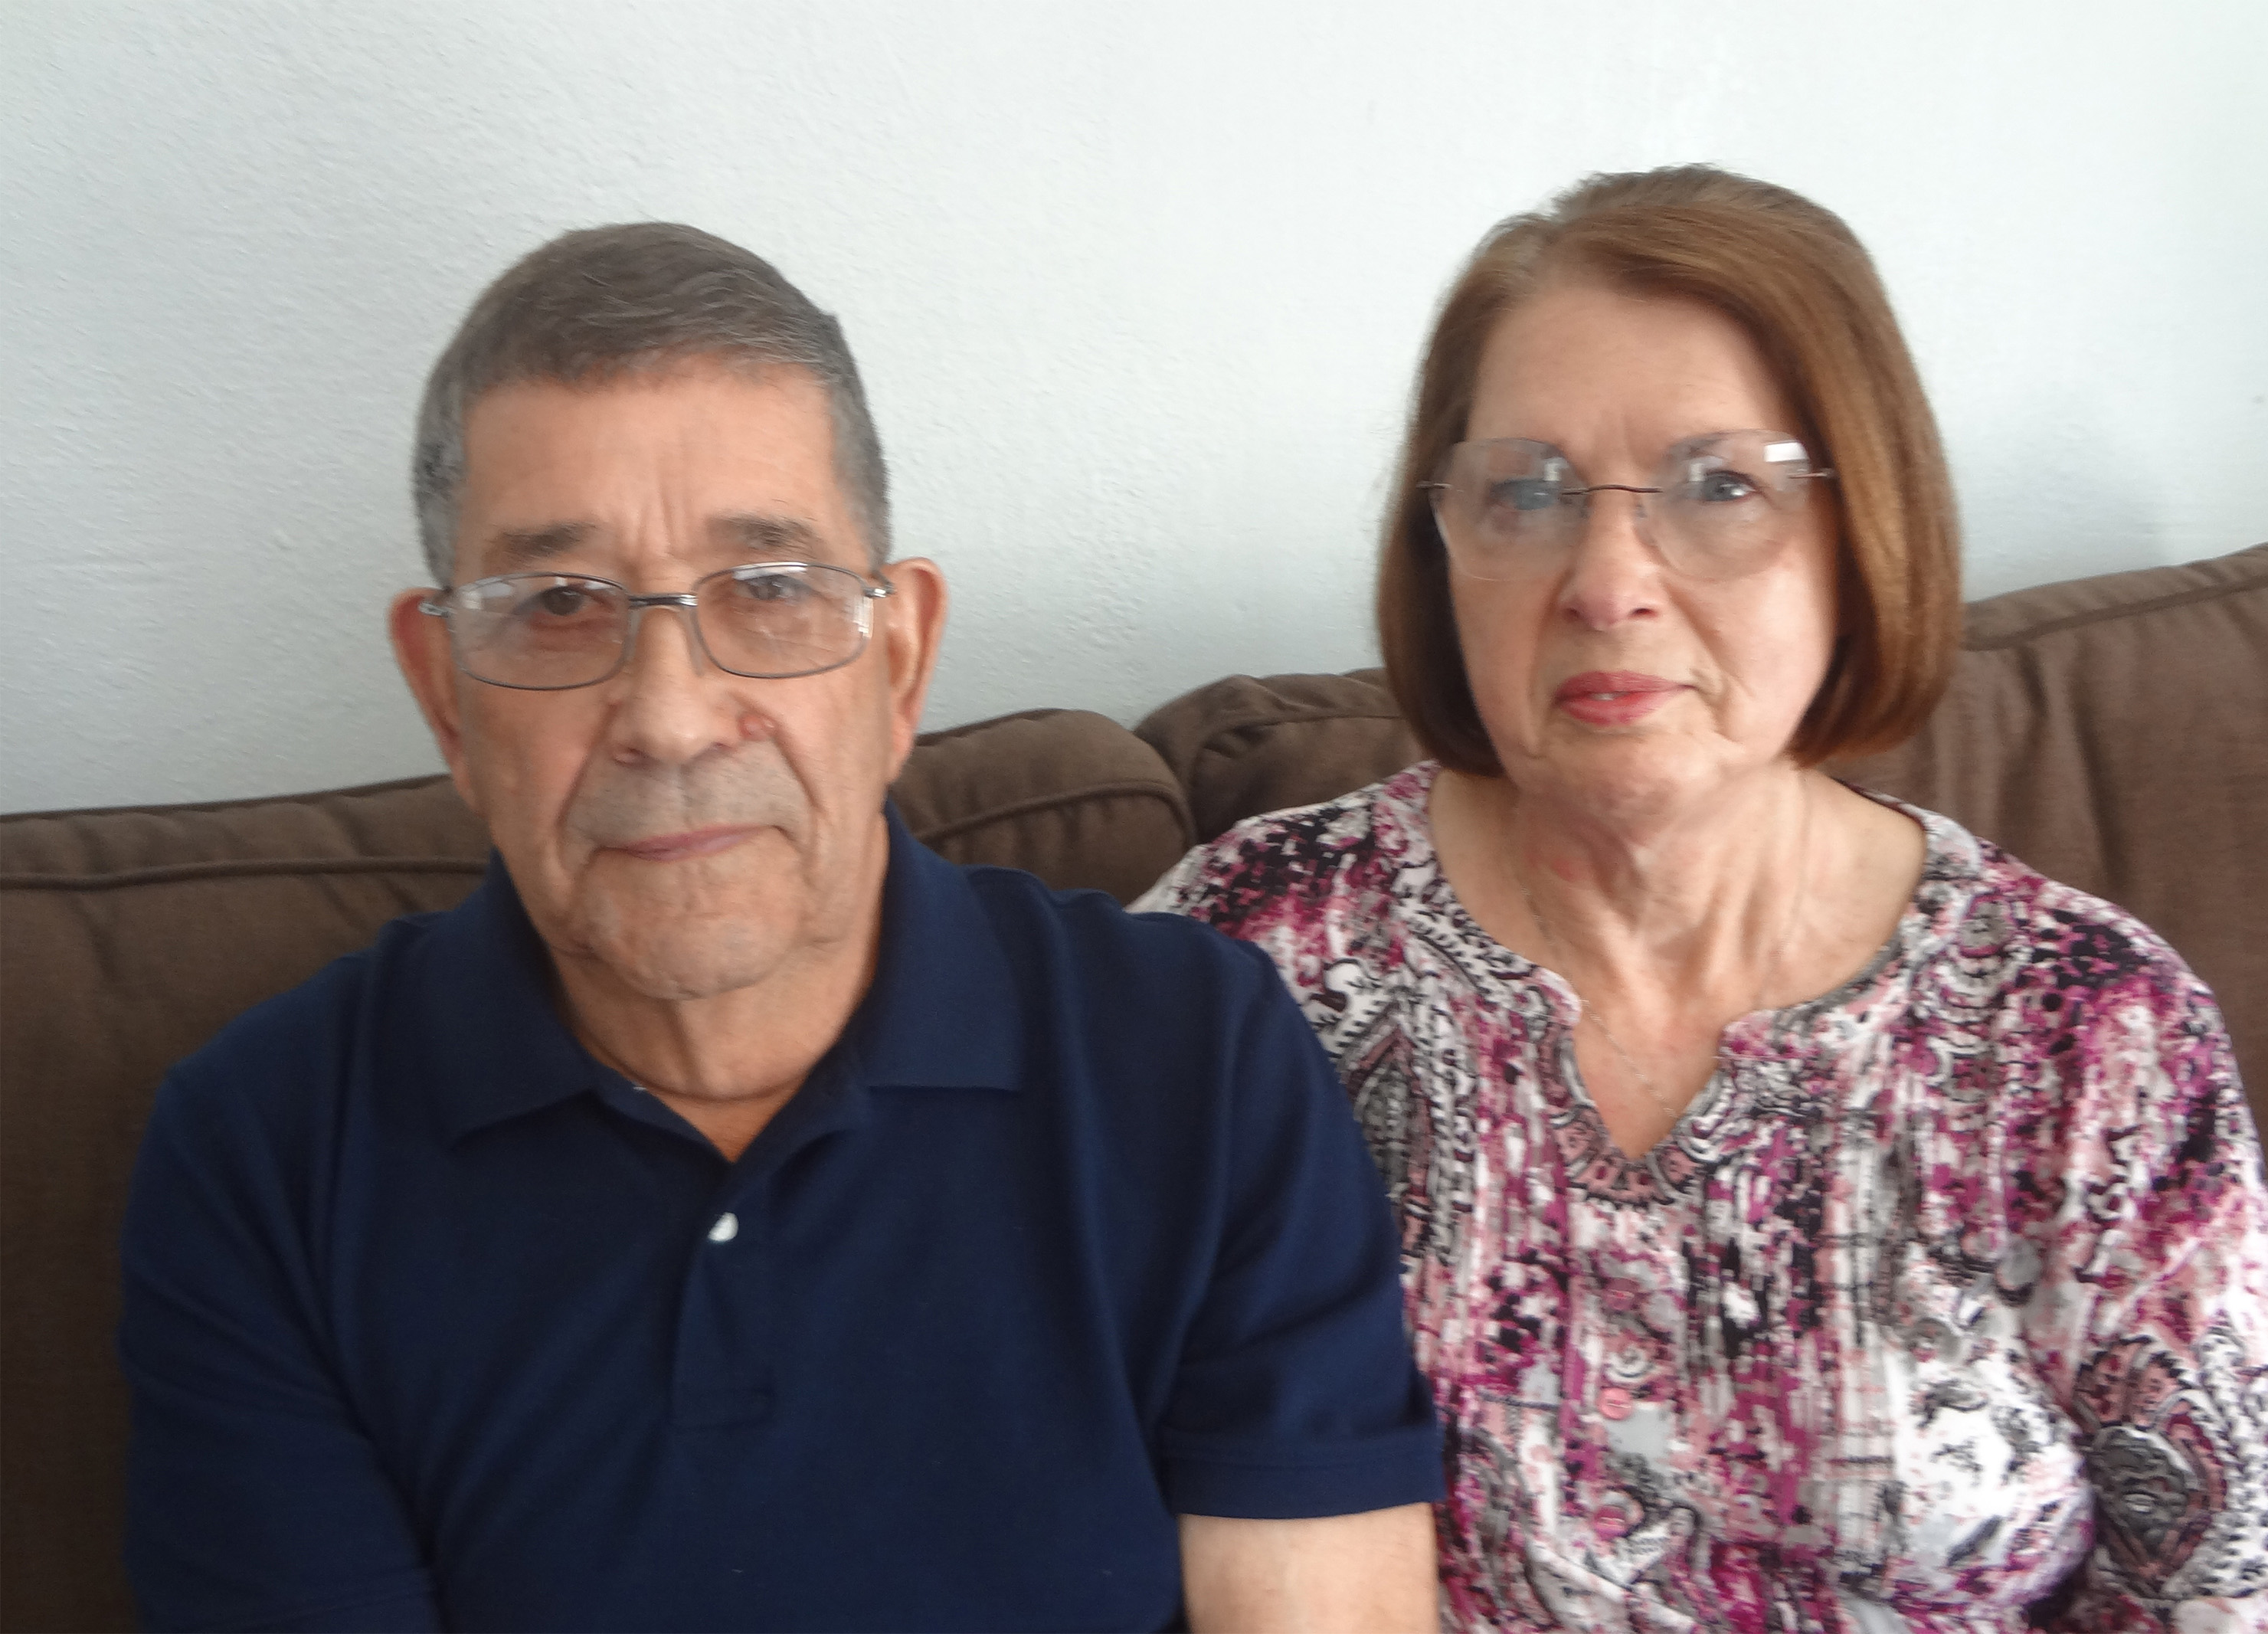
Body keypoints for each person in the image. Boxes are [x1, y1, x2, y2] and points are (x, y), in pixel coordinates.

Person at [119, 223, 1440, 1632]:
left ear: (903, 659)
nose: (671, 716)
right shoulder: (262, 1150)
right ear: (446, 693)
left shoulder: (1203, 1057)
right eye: (561, 606)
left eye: (766, 589)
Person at [1138, 167, 2268, 1629]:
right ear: (1442, 547)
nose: (1610, 579)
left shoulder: (2085, 1030)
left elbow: (2254, 1589)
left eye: (1721, 485)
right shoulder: (1248, 955)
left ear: (1865, 534)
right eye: (1524, 492)